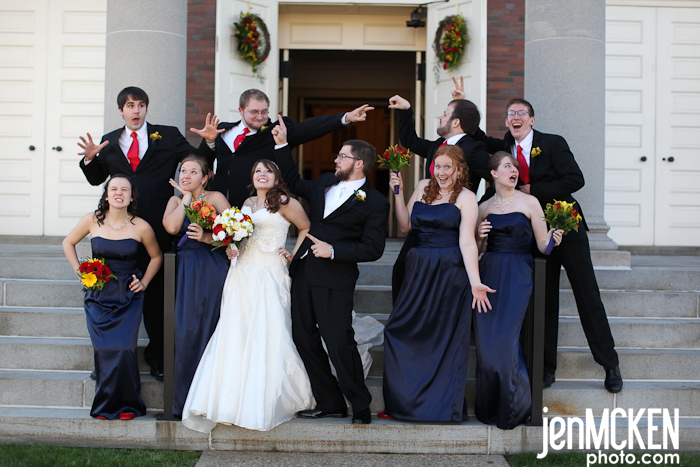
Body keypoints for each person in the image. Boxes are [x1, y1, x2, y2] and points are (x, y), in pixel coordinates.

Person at [469, 97, 623, 393]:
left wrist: (534, 190)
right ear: (507, 122)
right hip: (534, 236)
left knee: (587, 295)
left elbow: (575, 179)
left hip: (566, 227)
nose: (515, 117)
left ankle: (610, 364)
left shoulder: (553, 143)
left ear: (532, 120)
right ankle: (545, 367)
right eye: (511, 113)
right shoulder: (507, 147)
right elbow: (481, 141)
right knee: (544, 301)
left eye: (521, 113)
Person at [77, 86, 218, 381]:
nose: (136, 110)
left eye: (141, 105)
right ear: (121, 111)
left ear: (146, 108)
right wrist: (90, 160)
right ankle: (108, 360)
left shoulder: (167, 135)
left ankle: (159, 359)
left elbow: (196, 162)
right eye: (130, 105)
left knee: (157, 300)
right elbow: (97, 179)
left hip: (158, 229)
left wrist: (208, 144)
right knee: (112, 298)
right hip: (118, 234)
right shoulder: (109, 141)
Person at [182, 159, 314, 432]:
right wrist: (232, 248)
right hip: (242, 271)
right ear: (252, 177)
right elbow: (239, 238)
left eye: (268, 171)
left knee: (268, 330)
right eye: (258, 171)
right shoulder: (247, 203)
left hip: (269, 271)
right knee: (237, 329)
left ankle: (265, 400)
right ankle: (232, 400)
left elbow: (305, 227)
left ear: (277, 177)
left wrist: (293, 255)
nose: (262, 175)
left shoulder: (285, 202)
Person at [274, 118, 389, 425]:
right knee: (303, 338)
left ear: (359, 163)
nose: (335, 160)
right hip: (304, 272)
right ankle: (331, 402)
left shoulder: (375, 202)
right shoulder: (325, 182)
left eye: (342, 156)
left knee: (339, 341)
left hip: (335, 278)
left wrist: (334, 251)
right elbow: (294, 182)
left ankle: (360, 405)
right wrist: (282, 145)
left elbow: (373, 248)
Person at [381, 145, 494, 422]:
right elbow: (405, 225)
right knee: (398, 331)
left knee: (442, 338)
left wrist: (475, 282)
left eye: (447, 167)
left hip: (449, 271)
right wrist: (397, 193)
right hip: (417, 268)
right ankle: (403, 405)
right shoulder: (423, 186)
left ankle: (440, 407)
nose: (441, 172)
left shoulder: (467, 197)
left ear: (459, 170)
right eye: (438, 167)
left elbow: (467, 242)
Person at [474, 151, 563, 429]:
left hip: (518, 273)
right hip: (489, 273)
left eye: (515, 167)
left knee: (505, 340)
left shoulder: (530, 202)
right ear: (494, 174)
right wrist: (480, 237)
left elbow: (542, 246)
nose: (513, 171)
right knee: (487, 344)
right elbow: (476, 250)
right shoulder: (483, 207)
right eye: (507, 166)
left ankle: (515, 406)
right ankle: (490, 405)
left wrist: (553, 239)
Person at [62, 175, 162, 420]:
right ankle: (105, 405)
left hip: (128, 296)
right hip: (98, 294)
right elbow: (68, 242)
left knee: (124, 349)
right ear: (106, 195)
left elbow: (156, 257)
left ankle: (128, 405)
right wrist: (80, 272)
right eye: (114, 189)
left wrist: (144, 282)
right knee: (105, 349)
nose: (119, 193)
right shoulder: (92, 220)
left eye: (124, 189)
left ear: (131, 196)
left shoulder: (141, 226)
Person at [387, 94, 490, 303]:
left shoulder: (474, 149)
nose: (440, 117)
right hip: (423, 223)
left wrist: (479, 207)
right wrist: (406, 110)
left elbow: (495, 177)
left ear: (456, 122)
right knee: (401, 271)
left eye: (445, 113)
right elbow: (410, 141)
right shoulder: (438, 146)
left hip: (449, 226)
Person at [196, 88, 374, 208]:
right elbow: (201, 162)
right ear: (241, 110)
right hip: (219, 207)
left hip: (256, 207)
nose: (260, 117)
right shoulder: (222, 130)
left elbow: (309, 128)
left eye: (264, 111)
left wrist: (345, 118)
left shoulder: (276, 132)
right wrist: (209, 142)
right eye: (254, 112)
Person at [162, 155, 231, 418]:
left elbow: (235, 233)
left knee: (211, 326)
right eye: (183, 171)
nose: (186, 175)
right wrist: (186, 198)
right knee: (186, 330)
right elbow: (171, 227)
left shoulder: (216, 198)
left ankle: (212, 402)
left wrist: (206, 237)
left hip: (213, 267)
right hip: (185, 269)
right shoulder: (175, 200)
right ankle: (185, 401)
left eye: (193, 172)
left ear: (205, 177)